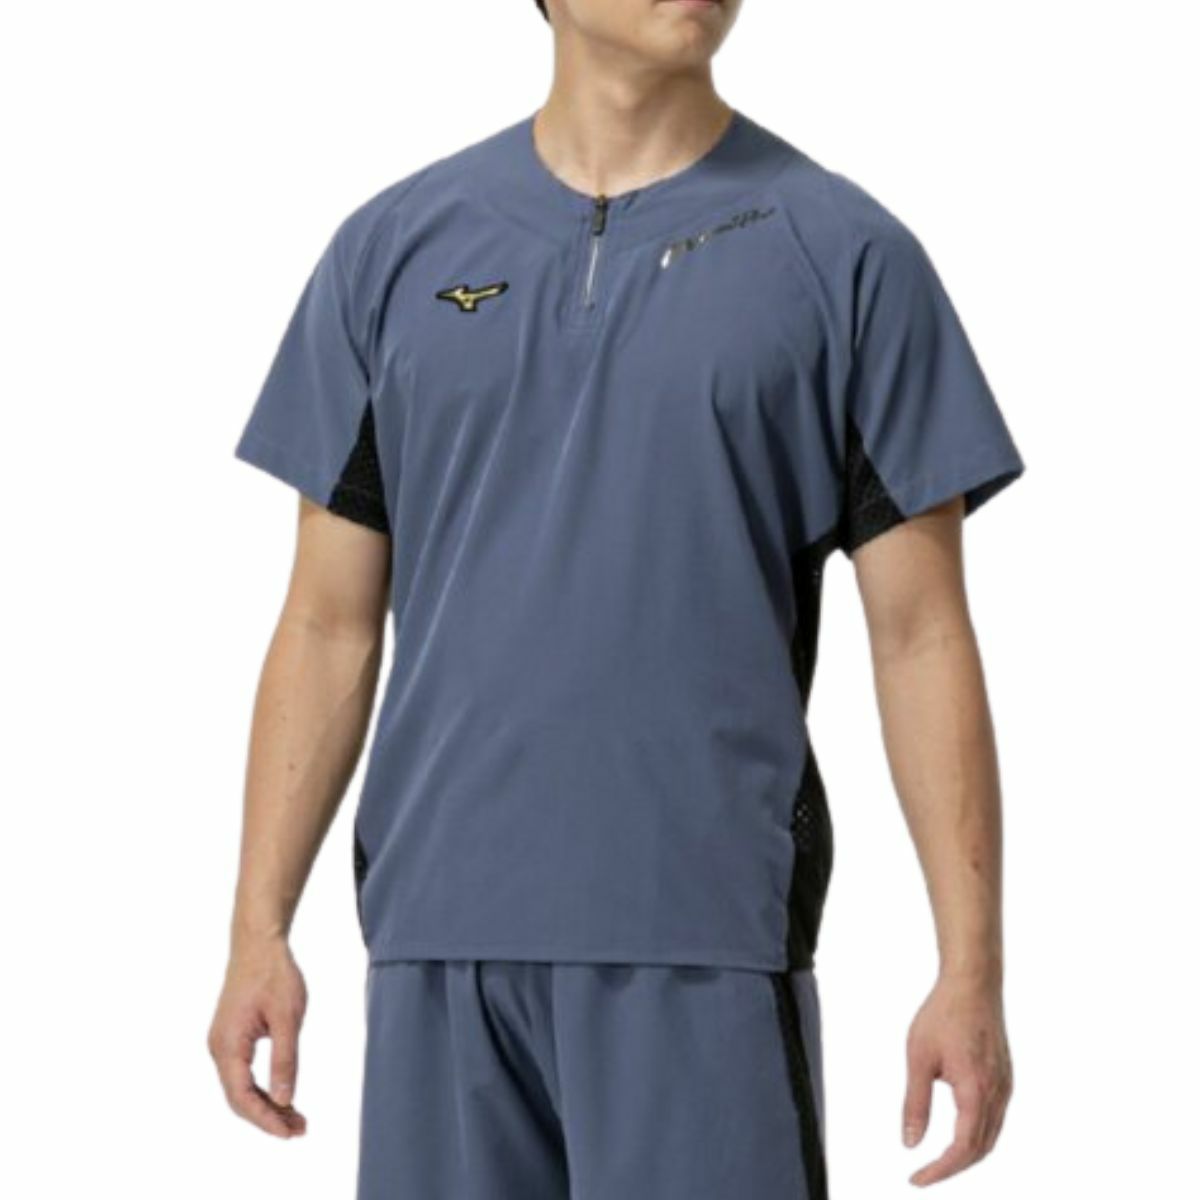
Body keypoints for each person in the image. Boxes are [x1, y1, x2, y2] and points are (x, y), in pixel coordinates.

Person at [208, 1, 1024, 1195]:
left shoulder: (845, 254)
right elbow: (326, 624)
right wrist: (257, 931)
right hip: (438, 936)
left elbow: (921, 635)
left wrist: (970, 971)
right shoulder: (390, 251)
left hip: (702, 936)